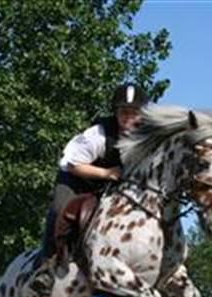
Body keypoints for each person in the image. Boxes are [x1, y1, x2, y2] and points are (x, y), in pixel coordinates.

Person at [37, 83, 149, 264]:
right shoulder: (99, 133)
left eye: (134, 112)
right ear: (116, 112)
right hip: (76, 179)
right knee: (59, 209)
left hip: (112, 187)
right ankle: (47, 262)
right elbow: (73, 164)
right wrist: (106, 173)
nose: (129, 117)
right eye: (124, 112)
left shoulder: (146, 137)